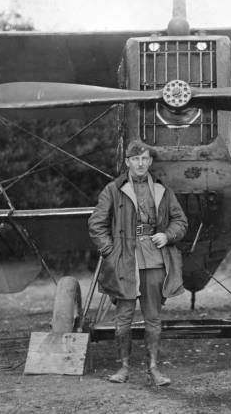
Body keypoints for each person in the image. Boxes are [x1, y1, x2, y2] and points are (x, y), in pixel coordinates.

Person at [88, 140, 187, 386]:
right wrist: (111, 251)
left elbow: (180, 221)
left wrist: (167, 235)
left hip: (154, 260)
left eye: (144, 159)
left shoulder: (163, 189)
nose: (141, 163)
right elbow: (96, 224)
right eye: (135, 159)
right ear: (128, 163)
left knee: (153, 317)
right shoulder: (113, 189)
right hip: (125, 262)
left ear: (150, 161)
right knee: (123, 318)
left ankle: (154, 368)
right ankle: (123, 368)